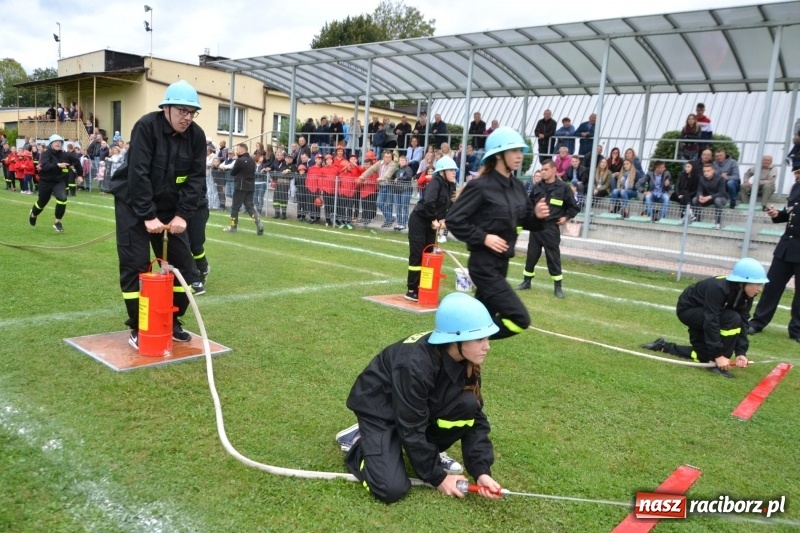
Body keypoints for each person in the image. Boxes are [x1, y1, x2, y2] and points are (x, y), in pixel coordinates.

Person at [335, 292, 504, 504]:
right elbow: (411, 426)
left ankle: (421, 451)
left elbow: (475, 419)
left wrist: (481, 471)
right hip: (379, 410)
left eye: (487, 338)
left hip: (412, 409)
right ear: (456, 338)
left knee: (467, 404)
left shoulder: (465, 359)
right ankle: (360, 442)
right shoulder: (414, 364)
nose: (487, 346)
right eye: (479, 339)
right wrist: (439, 477)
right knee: (391, 489)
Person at [109, 80, 206, 348]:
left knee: (184, 267)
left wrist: (183, 215)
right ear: (167, 108)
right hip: (133, 204)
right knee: (136, 265)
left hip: (171, 208)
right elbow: (138, 173)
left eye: (192, 112)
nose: (187, 117)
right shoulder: (146, 127)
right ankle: (139, 326)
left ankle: (170, 320)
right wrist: (147, 215)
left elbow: (196, 179)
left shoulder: (197, 137)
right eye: (182, 111)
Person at [446, 127, 549, 339]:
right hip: (483, 266)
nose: (520, 156)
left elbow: (526, 221)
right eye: (514, 151)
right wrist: (484, 237)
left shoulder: (518, 187)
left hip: (502, 264)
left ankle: (462, 344)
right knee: (519, 319)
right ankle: (463, 339)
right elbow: (454, 220)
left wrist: (538, 216)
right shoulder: (480, 186)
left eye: (521, 151)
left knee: (480, 318)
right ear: (499, 155)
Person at [641, 258, 768, 378]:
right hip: (688, 310)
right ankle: (716, 362)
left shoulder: (747, 294)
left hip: (706, 312)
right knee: (732, 318)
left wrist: (741, 352)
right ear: (743, 281)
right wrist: (718, 356)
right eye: (757, 284)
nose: (760, 289)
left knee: (703, 355)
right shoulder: (718, 288)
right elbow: (711, 320)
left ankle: (663, 346)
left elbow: (744, 322)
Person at [748, 168, 800, 340]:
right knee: (771, 287)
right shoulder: (796, 187)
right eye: (796, 173)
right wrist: (777, 215)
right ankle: (757, 322)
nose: (797, 176)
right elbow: (790, 213)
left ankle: (797, 330)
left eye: (799, 173)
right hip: (786, 248)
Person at [516, 159, 577, 298]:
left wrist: (566, 217)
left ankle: (558, 287)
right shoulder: (537, 186)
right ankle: (526, 281)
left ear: (554, 170)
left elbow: (574, 206)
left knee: (553, 257)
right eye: (542, 169)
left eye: (545, 169)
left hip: (551, 228)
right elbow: (529, 205)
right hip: (536, 228)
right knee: (531, 256)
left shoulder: (564, 187)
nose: (543, 172)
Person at [404, 156, 457, 301]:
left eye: (455, 170)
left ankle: (424, 287)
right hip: (419, 220)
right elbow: (428, 202)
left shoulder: (451, 185)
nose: (454, 173)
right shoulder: (436, 182)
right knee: (417, 254)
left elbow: (451, 205)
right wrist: (434, 219)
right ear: (442, 172)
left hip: (431, 223)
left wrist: (445, 220)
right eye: (451, 170)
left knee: (428, 255)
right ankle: (411, 289)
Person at [28, 134, 83, 232]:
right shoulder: (46, 154)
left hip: (59, 181)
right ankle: (33, 214)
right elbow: (45, 166)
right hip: (45, 181)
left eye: (60, 142)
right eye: (55, 142)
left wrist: (80, 175)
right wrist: (58, 165)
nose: (58, 143)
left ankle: (57, 222)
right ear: (51, 143)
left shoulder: (65, 155)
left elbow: (77, 162)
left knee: (63, 199)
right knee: (42, 202)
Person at [223, 143, 263, 235]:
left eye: (237, 149)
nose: (236, 151)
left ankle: (233, 227)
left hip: (240, 187)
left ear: (241, 150)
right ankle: (258, 222)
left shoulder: (239, 161)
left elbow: (233, 173)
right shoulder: (252, 160)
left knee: (235, 207)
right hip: (250, 187)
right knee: (250, 206)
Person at [692, 163, 727, 229]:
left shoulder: (720, 179)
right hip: (706, 198)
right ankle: (697, 220)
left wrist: (709, 197)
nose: (706, 173)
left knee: (717, 200)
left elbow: (722, 193)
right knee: (695, 199)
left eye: (708, 171)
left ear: (713, 171)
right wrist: (700, 196)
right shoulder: (701, 178)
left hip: (720, 198)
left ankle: (718, 223)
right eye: (704, 171)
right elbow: (699, 190)